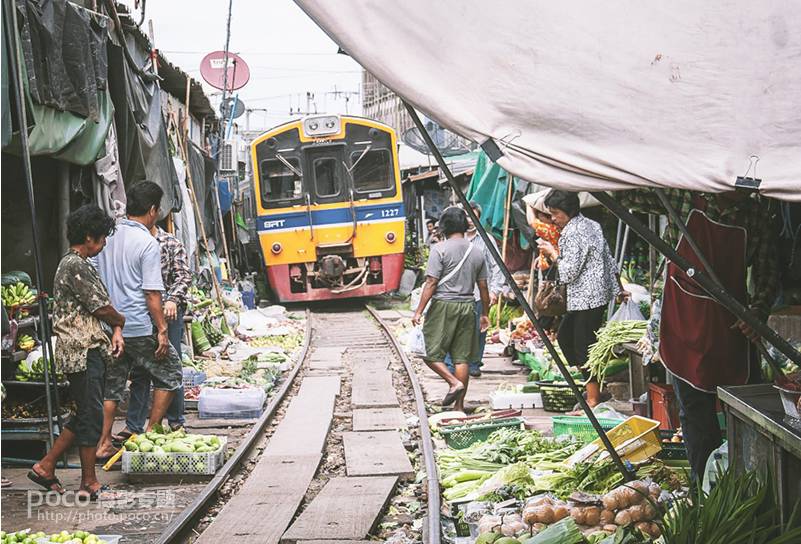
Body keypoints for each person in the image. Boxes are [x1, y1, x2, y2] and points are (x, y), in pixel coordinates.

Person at [619, 189, 778, 481]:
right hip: (683, 323)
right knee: (695, 414)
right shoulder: (682, 198)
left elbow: (768, 272)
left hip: (730, 327)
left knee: (746, 412)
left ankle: (750, 486)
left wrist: (757, 313)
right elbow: (627, 196)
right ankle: (703, 489)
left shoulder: (756, 216)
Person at [28, 205, 125, 499]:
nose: (104, 243)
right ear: (88, 237)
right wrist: (120, 321)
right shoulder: (76, 265)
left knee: (84, 413)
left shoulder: (78, 264)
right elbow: (100, 306)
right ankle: (89, 482)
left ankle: (45, 467)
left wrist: (116, 329)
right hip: (81, 351)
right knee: (91, 416)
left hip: (85, 349)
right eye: (102, 238)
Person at [94, 181, 183, 460]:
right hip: (139, 325)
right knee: (171, 373)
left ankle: (103, 443)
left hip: (112, 326)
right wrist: (162, 330)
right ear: (153, 210)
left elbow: (97, 280)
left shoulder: (107, 237)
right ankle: (151, 432)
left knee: (114, 384)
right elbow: (152, 295)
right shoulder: (147, 242)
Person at [537, 190, 627, 407]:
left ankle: (594, 399)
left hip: (586, 298)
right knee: (568, 339)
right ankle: (595, 390)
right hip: (593, 296)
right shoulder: (592, 225)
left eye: (555, 214)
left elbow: (568, 272)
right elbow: (608, 258)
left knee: (582, 346)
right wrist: (618, 288)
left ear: (568, 211)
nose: (553, 219)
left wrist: (552, 252)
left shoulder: (572, 232)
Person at [412, 206, 490, 412]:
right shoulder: (477, 252)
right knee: (461, 358)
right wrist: (485, 314)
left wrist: (419, 310)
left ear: (444, 226)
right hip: (468, 306)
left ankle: (453, 382)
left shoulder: (440, 249)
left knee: (427, 351)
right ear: (464, 225)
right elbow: (483, 287)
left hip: (444, 305)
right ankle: (459, 407)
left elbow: (431, 282)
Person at [124, 224, 192, 437]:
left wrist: (172, 299)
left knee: (171, 364)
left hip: (168, 314)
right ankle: (134, 426)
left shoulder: (170, 242)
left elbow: (184, 277)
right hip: (142, 314)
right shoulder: (131, 242)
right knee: (140, 369)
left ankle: (175, 422)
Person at [443, 202, 506, 377]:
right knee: (452, 330)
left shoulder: (486, 239)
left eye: (474, 217)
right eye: (467, 217)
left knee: (478, 330)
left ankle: (474, 363)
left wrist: (495, 290)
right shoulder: (451, 239)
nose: (470, 221)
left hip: (479, 294)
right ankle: (450, 363)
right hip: (454, 294)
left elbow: (497, 266)